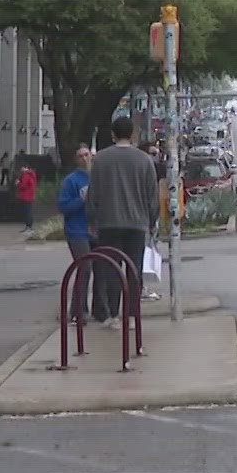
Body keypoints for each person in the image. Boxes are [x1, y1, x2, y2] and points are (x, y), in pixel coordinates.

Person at [86, 117, 157, 323]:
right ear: (133, 134)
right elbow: (151, 195)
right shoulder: (144, 160)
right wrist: (152, 222)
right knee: (134, 269)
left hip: (109, 223)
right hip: (137, 223)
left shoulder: (100, 159)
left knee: (111, 269)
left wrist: (92, 220)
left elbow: (93, 193)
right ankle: (133, 315)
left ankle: (113, 315)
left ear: (112, 135)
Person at [57, 147, 110, 323]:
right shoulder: (71, 181)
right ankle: (78, 311)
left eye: (87, 155)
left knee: (101, 268)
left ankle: (100, 309)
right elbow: (64, 206)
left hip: (97, 229)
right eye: (80, 156)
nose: (84, 159)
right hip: (77, 231)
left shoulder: (99, 178)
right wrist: (81, 200)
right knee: (84, 267)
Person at [15, 162, 38, 232]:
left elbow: (23, 185)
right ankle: (29, 226)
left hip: (25, 196)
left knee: (27, 212)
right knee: (28, 211)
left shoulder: (26, 175)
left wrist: (18, 183)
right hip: (30, 195)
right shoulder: (31, 174)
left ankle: (28, 227)